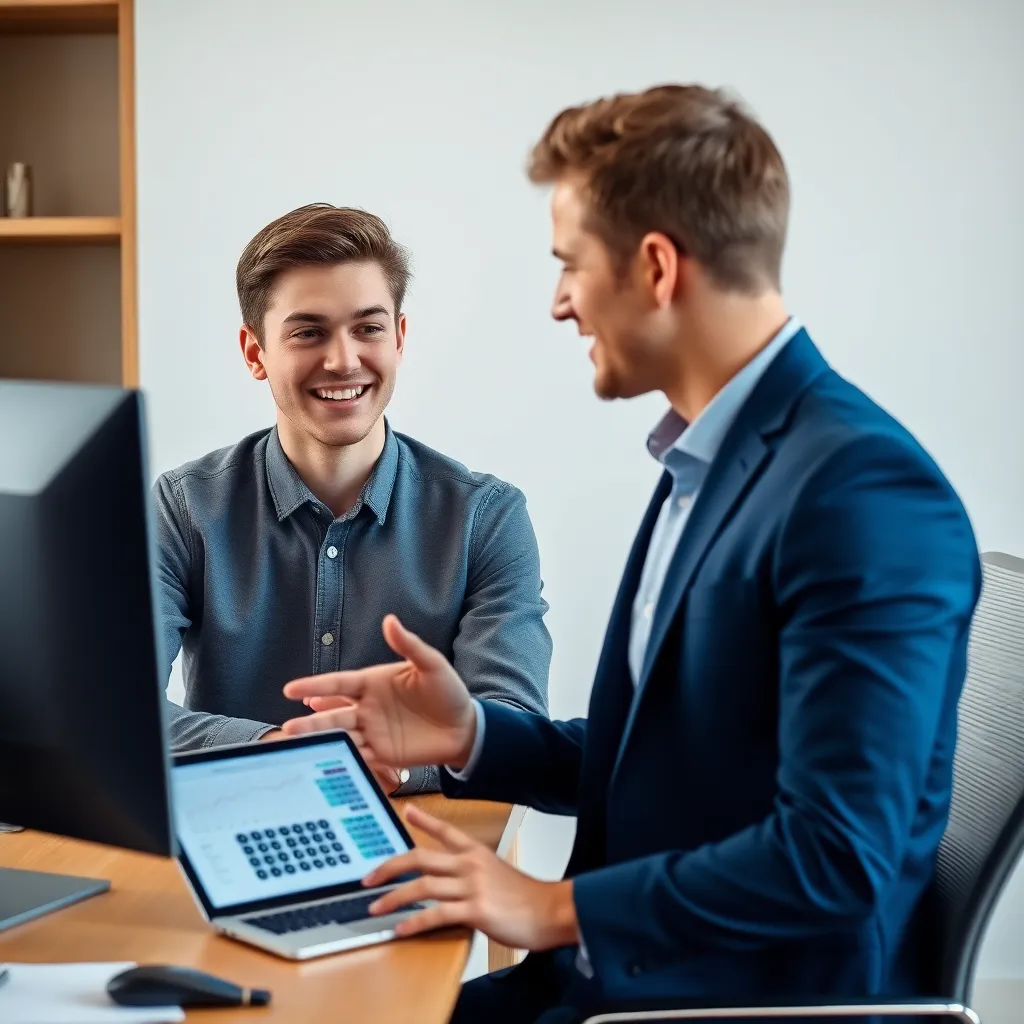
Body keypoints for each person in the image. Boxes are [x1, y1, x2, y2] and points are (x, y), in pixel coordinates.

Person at [280, 86, 981, 1021]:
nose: (561, 303)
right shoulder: (709, 456)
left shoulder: (860, 494)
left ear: (655, 267)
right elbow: (682, 763)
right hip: (623, 978)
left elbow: (836, 856)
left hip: (715, 1002)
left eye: (570, 264)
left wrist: (550, 907)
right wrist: (472, 736)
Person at [154, 203, 551, 796]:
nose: (343, 359)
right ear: (255, 352)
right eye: (308, 332)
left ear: (399, 337)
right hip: (240, 830)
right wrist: (275, 750)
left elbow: (512, 721)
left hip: (430, 842)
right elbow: (113, 704)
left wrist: (403, 765)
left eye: (367, 327)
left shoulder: (486, 518)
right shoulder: (185, 508)